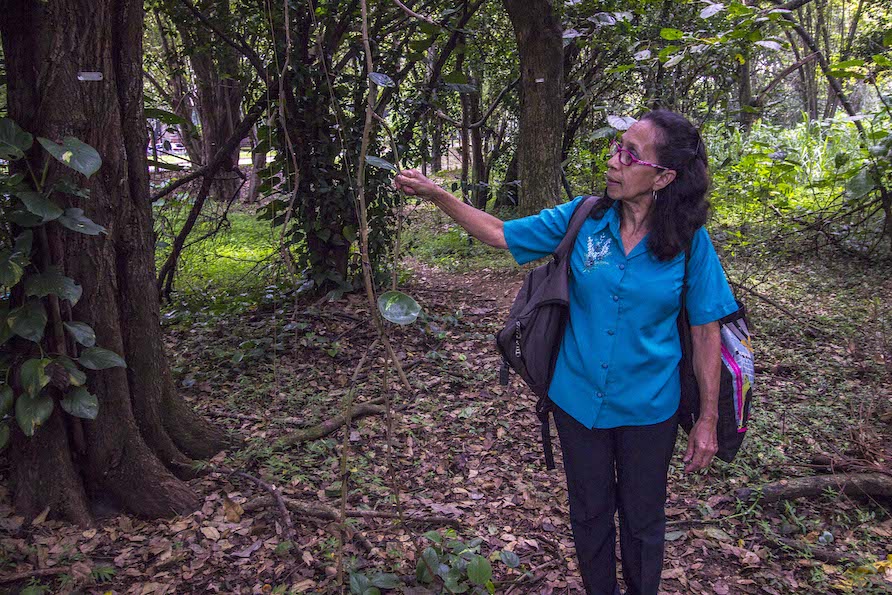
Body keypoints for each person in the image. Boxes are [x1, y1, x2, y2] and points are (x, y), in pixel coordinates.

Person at [394, 110, 738, 595]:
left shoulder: (690, 244)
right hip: (576, 401)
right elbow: (499, 233)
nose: (614, 162)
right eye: (617, 148)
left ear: (663, 176)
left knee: (643, 521)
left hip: (649, 408)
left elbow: (706, 331)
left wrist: (707, 419)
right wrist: (438, 194)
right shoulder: (585, 218)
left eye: (630, 154)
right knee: (589, 514)